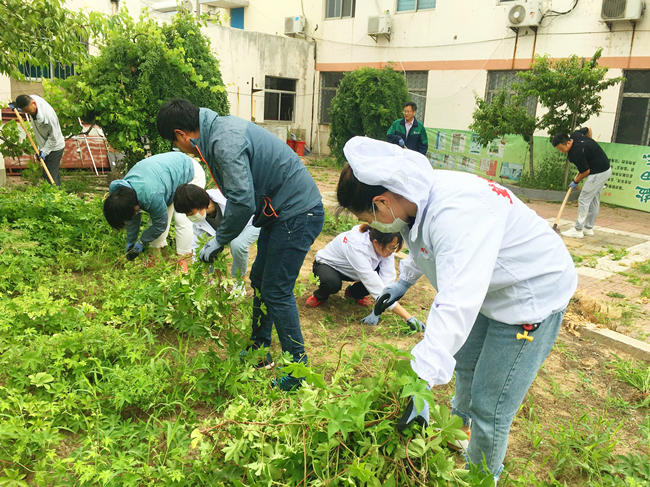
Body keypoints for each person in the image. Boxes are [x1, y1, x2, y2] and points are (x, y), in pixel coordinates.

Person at [336, 137, 577, 483]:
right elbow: (425, 244)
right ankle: (459, 431)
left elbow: (456, 301)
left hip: (530, 293)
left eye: (370, 218)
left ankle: (483, 477)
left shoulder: (456, 212)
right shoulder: (414, 198)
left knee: (491, 405)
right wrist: (403, 282)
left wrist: (421, 380)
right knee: (465, 364)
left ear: (382, 201)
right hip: (489, 288)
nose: (376, 226)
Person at [156, 99, 323, 390]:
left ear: (181, 134)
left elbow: (243, 202)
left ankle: (298, 371)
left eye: (174, 142)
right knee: (259, 279)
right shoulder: (216, 133)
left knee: (276, 289)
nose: (179, 148)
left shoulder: (223, 142)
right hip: (279, 213)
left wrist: (220, 240)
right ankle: (260, 349)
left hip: (297, 213)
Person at [307, 224, 425, 332]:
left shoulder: (385, 244)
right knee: (331, 284)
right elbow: (372, 283)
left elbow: (387, 282)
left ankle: (352, 294)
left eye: (395, 247)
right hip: (329, 266)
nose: (392, 251)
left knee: (377, 276)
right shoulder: (357, 246)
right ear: (376, 242)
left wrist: (378, 309)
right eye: (391, 248)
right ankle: (319, 296)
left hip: (354, 272)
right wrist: (408, 317)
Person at [103, 152, 206, 261]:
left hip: (189, 171)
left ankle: (184, 260)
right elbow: (132, 217)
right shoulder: (120, 194)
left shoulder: (151, 195)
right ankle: (154, 259)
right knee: (155, 218)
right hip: (165, 180)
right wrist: (130, 241)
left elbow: (160, 224)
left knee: (182, 219)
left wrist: (142, 241)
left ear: (136, 206)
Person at [173, 183, 260, 295]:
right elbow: (198, 244)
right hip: (227, 233)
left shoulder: (226, 198)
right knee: (207, 250)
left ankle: (239, 284)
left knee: (237, 244)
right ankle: (215, 283)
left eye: (189, 212)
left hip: (252, 222)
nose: (188, 216)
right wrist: (197, 266)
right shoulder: (200, 219)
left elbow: (239, 218)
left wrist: (219, 240)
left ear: (198, 204)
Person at [552, 127, 611, 239]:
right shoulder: (575, 135)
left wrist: (575, 181)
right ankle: (588, 228)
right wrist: (590, 144)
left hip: (597, 173)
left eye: (561, 148)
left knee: (583, 199)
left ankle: (578, 230)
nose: (561, 151)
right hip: (606, 169)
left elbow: (585, 172)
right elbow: (588, 129)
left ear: (568, 142)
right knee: (593, 199)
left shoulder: (576, 154)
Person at [12, 94, 65, 186]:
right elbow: (24, 101)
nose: (27, 113)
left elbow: (54, 138)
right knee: (51, 174)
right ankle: (59, 192)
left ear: (34, 104)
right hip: (44, 144)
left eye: (28, 111)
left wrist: (44, 151)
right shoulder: (31, 100)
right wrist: (16, 107)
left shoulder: (48, 116)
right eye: (25, 111)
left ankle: (54, 193)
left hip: (54, 147)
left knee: (50, 176)